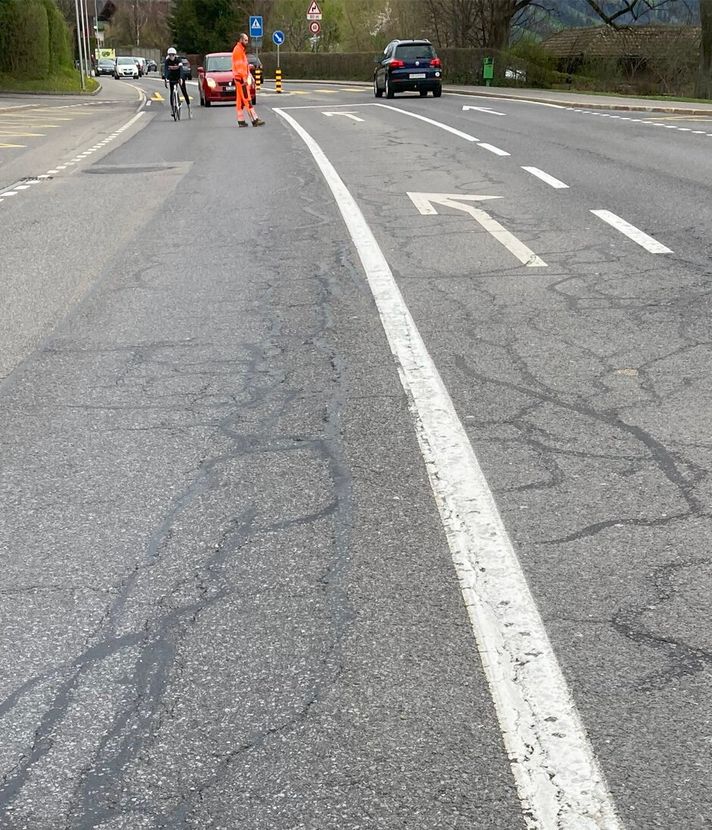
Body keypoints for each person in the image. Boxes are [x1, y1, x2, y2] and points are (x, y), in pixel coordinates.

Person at [231, 33, 264, 127]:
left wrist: (249, 75)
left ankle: (240, 120)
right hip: (241, 80)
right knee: (247, 99)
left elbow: (244, 65)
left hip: (239, 79)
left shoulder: (240, 50)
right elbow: (240, 67)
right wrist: (244, 78)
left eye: (247, 40)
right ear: (241, 40)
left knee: (240, 101)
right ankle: (255, 119)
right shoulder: (238, 51)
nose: (247, 42)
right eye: (245, 40)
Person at [164, 47, 191, 118]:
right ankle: (172, 109)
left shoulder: (178, 60)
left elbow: (181, 70)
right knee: (172, 91)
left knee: (184, 91)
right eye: (169, 55)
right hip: (172, 77)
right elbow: (166, 71)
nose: (171, 57)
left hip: (179, 76)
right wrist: (166, 78)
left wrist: (181, 78)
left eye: (172, 55)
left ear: (175, 55)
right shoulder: (167, 61)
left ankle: (189, 106)